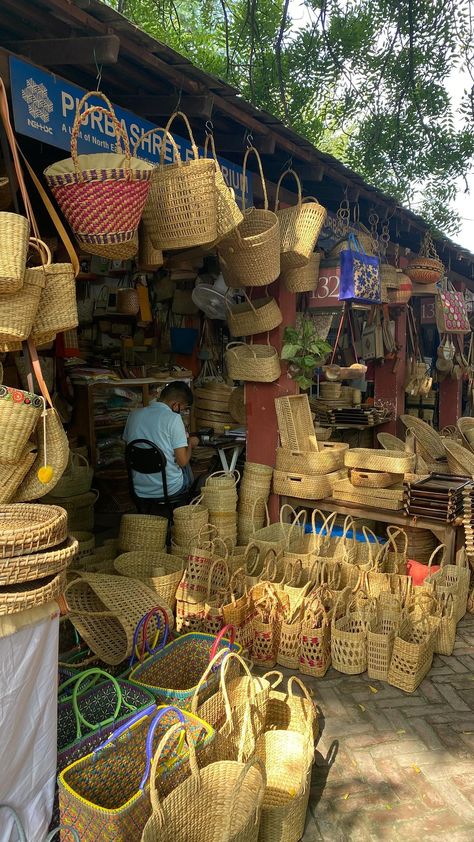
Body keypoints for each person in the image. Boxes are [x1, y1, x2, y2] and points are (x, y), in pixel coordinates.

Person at [123, 380, 199, 507]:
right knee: (188, 469)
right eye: (183, 409)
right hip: (169, 489)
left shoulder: (134, 414)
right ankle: (184, 511)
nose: (181, 412)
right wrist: (190, 444)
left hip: (139, 488)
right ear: (176, 405)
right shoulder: (174, 419)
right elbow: (182, 461)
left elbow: (128, 449)